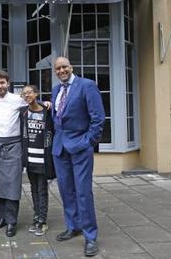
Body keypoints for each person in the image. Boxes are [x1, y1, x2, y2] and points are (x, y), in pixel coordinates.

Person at [51, 57, 105, 257]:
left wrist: (89, 141)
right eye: (58, 68)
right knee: (66, 191)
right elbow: (57, 118)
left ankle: (90, 236)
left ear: (71, 67)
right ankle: (73, 226)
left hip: (81, 147)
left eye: (64, 67)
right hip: (60, 149)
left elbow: (98, 117)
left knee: (83, 191)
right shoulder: (56, 90)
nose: (61, 70)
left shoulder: (87, 85)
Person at [0, 70, 28, 237]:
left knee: (12, 184)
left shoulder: (17, 99)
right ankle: (2, 217)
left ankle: (12, 221)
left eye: (2, 83)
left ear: (8, 83)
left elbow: (33, 106)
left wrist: (47, 105)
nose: (0, 86)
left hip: (13, 145)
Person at [19, 84, 55, 236]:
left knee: (42, 190)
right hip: (30, 158)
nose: (27, 95)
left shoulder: (47, 111)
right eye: (24, 94)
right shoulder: (23, 112)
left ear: (36, 93)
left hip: (43, 158)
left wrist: (45, 103)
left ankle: (43, 220)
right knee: (33, 189)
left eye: (30, 93)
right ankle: (36, 217)